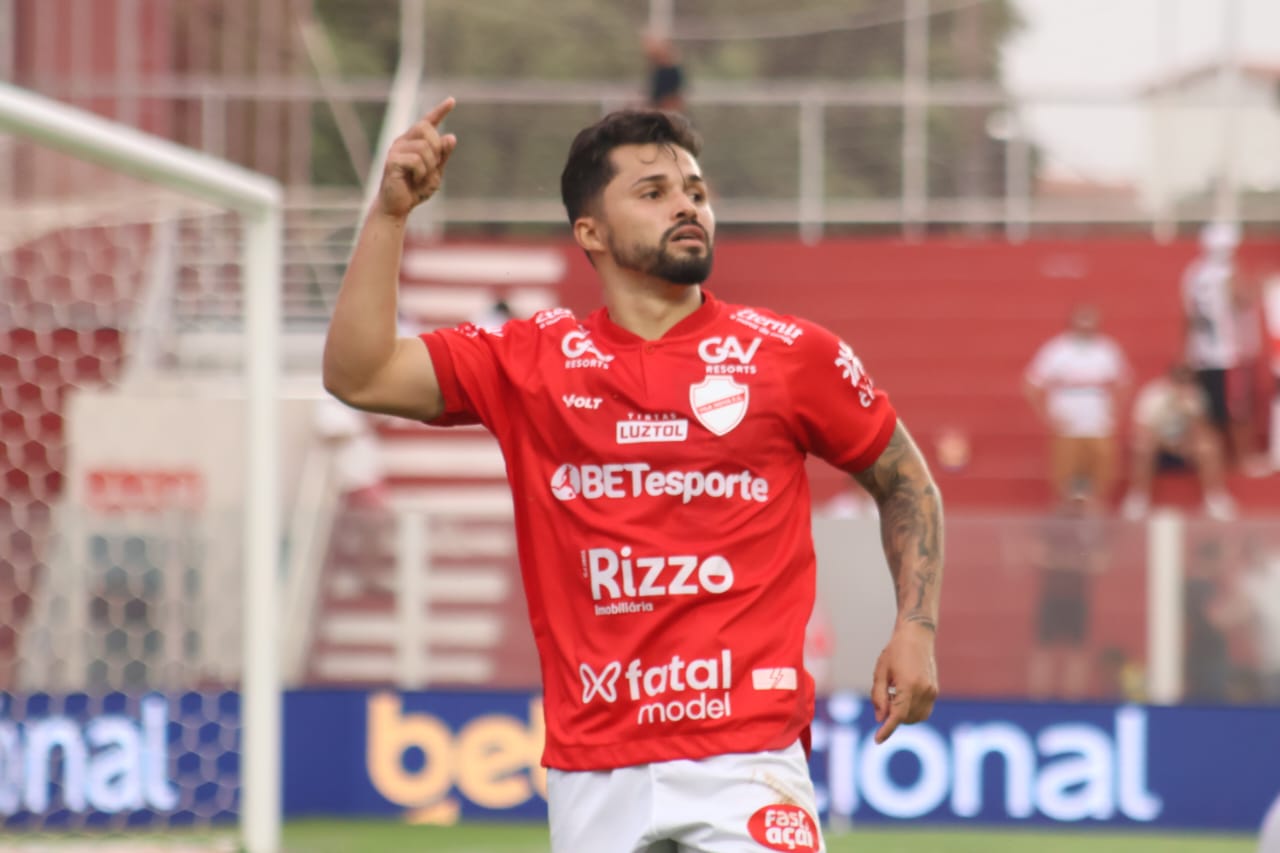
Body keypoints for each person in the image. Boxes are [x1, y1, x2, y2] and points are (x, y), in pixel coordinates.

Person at [323, 100, 944, 852]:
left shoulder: (791, 354)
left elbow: (906, 481)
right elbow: (360, 374)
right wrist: (390, 215)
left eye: (695, 191)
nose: (686, 205)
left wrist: (916, 627)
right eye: (653, 192)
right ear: (590, 232)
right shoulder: (531, 360)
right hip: (593, 770)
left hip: (747, 757)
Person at [1120, 364, 1236, 521]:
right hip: (1159, 446)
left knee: (1209, 445)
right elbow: (1142, 430)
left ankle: (1215, 497)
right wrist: (1168, 443)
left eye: (1188, 382)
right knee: (1142, 445)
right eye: (1180, 381)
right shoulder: (1153, 395)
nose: (1184, 386)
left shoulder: (1197, 396)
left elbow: (1205, 431)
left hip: (1186, 446)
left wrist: (1191, 414)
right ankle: (1138, 498)